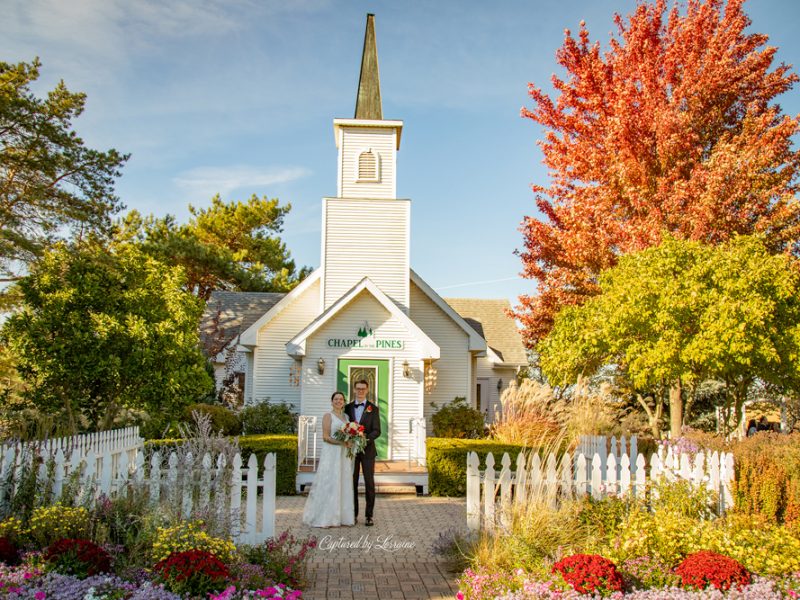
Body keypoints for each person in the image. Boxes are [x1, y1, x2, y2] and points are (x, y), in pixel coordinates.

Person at [302, 391, 355, 528]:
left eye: (341, 399)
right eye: (336, 399)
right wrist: (343, 443)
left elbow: (349, 434)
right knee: (330, 481)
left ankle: (342, 516)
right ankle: (326, 516)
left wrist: (351, 441)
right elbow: (326, 437)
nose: (338, 401)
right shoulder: (328, 416)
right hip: (331, 453)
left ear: (344, 402)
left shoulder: (346, 416)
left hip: (343, 454)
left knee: (342, 481)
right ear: (332, 401)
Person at [345, 379, 381, 526]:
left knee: (369, 483)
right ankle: (353, 514)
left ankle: (369, 516)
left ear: (367, 390)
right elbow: (344, 427)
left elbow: (377, 431)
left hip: (368, 451)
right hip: (352, 452)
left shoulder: (374, 408)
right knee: (351, 483)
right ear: (354, 389)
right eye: (358, 388)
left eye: (363, 389)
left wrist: (364, 438)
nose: (360, 391)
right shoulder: (347, 408)